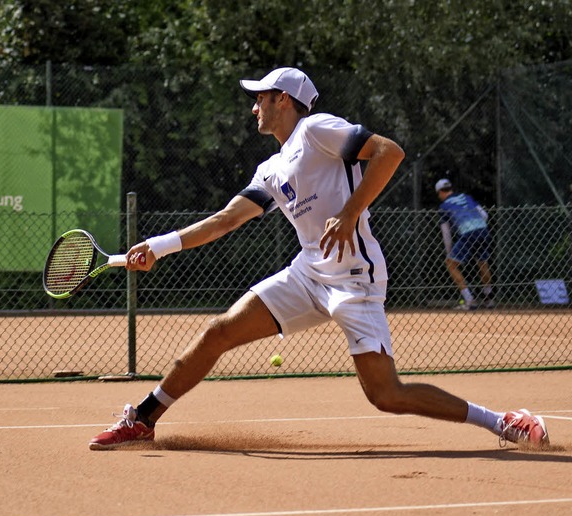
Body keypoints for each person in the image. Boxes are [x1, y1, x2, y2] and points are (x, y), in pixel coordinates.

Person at [89, 67, 548, 450]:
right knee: (218, 332)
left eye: (261, 99)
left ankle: (504, 422)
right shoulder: (270, 168)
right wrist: (161, 245)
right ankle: (143, 419)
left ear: (284, 100)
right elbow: (227, 219)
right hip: (307, 275)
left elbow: (389, 152)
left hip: (354, 278)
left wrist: (350, 213)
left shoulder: (316, 128)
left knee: (386, 395)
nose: (254, 107)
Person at [435, 179, 494, 310]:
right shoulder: (466, 197)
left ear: (440, 192)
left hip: (467, 233)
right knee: (483, 263)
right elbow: (484, 215)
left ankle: (469, 300)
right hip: (482, 230)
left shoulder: (444, 206)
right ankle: (488, 298)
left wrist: (449, 251)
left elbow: (446, 233)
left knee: (451, 264)